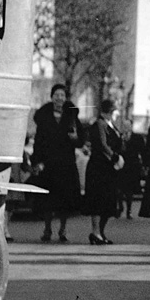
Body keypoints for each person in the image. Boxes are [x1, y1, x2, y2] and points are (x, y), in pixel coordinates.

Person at [31, 84, 85, 243]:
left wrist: (75, 138)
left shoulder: (72, 116)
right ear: (52, 97)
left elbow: (80, 140)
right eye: (56, 95)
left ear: (65, 98)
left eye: (62, 95)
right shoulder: (44, 116)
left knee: (65, 200)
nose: (59, 98)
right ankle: (47, 229)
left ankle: (63, 229)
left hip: (66, 164)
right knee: (48, 200)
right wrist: (37, 162)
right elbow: (38, 142)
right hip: (48, 164)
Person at [85, 99, 125, 245]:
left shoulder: (111, 125)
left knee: (107, 201)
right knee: (97, 200)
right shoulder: (99, 124)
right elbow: (102, 145)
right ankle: (95, 232)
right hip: (99, 167)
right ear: (108, 112)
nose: (117, 113)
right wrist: (115, 157)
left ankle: (100, 232)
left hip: (108, 168)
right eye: (115, 111)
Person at [118, 120, 146, 218]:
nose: (126, 127)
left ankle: (128, 210)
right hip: (121, 166)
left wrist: (144, 164)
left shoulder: (137, 137)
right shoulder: (119, 136)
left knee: (129, 190)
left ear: (131, 126)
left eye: (127, 125)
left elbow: (143, 150)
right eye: (124, 125)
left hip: (132, 166)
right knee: (119, 189)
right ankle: (120, 206)